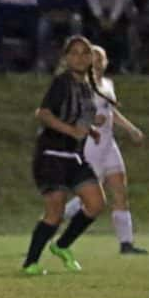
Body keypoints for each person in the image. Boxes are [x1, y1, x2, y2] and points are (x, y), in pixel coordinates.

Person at [22, 35, 108, 275]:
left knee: (95, 203)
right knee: (55, 212)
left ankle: (61, 245)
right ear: (66, 58)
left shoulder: (86, 87)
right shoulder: (62, 83)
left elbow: (74, 115)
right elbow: (44, 113)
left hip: (74, 156)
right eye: (74, 53)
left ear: (91, 58)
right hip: (52, 154)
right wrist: (72, 130)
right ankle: (30, 263)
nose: (80, 57)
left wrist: (90, 129)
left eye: (84, 53)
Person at [63, 45, 147, 255]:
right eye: (94, 59)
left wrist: (131, 129)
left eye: (101, 59)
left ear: (106, 62)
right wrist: (91, 119)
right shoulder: (80, 84)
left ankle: (126, 243)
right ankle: (53, 218)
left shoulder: (107, 84)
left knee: (120, 192)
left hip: (109, 146)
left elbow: (111, 112)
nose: (98, 63)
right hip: (92, 145)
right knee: (88, 197)